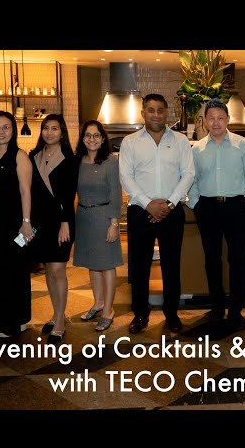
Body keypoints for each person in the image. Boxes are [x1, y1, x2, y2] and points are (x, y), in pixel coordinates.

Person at [119, 94, 194, 334]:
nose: (156, 115)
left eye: (160, 110)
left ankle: (171, 314)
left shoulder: (180, 141)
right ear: (143, 113)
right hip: (140, 211)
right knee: (139, 266)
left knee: (171, 265)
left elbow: (188, 174)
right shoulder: (130, 142)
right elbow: (125, 176)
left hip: (172, 211)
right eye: (151, 110)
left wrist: (169, 204)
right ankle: (140, 314)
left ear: (166, 113)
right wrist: (148, 204)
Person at [188, 98, 245, 327]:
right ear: (204, 121)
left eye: (220, 118)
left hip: (236, 207)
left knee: (237, 259)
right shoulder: (197, 148)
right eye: (211, 118)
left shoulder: (242, 144)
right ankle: (217, 306)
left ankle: (236, 308)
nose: (216, 122)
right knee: (212, 259)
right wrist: (195, 203)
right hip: (207, 208)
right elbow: (192, 179)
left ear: (227, 119)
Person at [28, 114, 78, 344]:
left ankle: (60, 321)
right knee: (48, 269)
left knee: (58, 269)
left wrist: (65, 223)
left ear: (62, 132)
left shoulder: (70, 159)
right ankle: (57, 313)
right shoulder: (33, 156)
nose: (49, 132)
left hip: (61, 223)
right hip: (40, 223)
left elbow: (69, 196)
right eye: (46, 128)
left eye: (54, 128)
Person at [0, 110, 34, 338]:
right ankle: (0, 319)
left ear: (13, 130)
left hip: (15, 224)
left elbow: (26, 191)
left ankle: (14, 320)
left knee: (15, 271)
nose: (1, 131)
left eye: (6, 127)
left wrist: (26, 223)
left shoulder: (19, 156)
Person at [74, 120, 122, 332]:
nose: (91, 139)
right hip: (84, 218)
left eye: (96, 135)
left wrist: (114, 223)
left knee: (107, 264)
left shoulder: (110, 161)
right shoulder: (78, 161)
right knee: (92, 264)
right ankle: (98, 303)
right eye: (88, 135)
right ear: (83, 138)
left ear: (103, 139)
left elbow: (116, 194)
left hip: (104, 218)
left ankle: (108, 310)